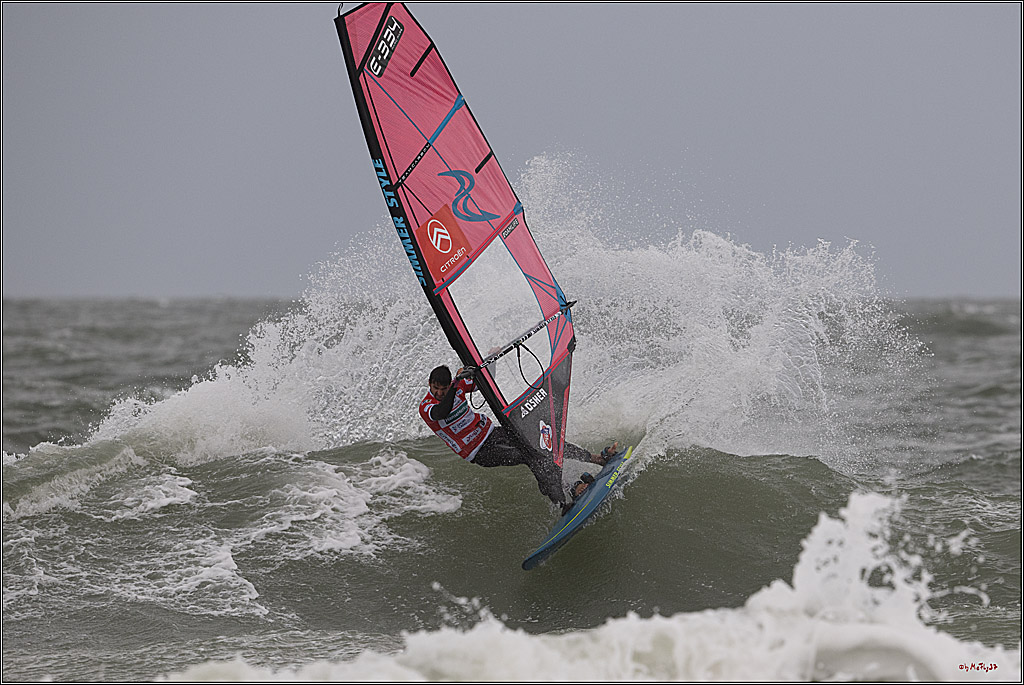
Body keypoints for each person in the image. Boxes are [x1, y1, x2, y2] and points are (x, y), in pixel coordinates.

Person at [419, 364, 617, 514]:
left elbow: (484, 381)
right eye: (436, 388)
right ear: (430, 384)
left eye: (443, 389)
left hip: (492, 432)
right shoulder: (427, 406)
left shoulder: (458, 386)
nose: (439, 393)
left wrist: (486, 362)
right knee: (530, 455)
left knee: (543, 440)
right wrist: (454, 384)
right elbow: (441, 412)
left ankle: (597, 459)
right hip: (478, 451)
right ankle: (564, 498)